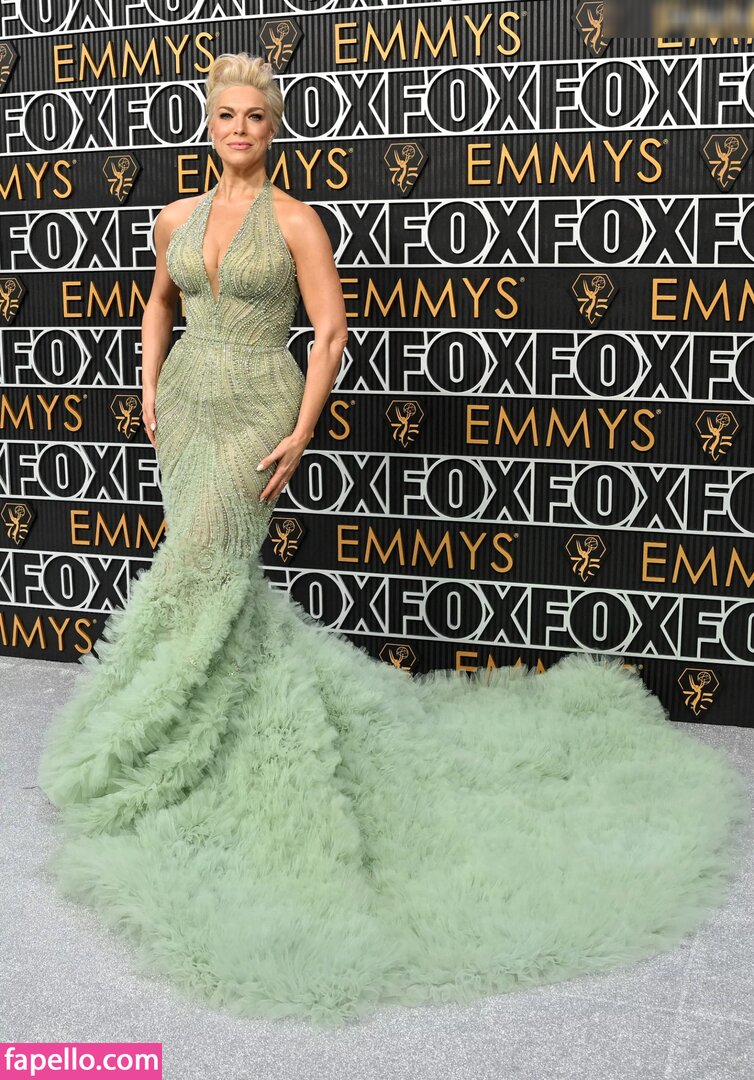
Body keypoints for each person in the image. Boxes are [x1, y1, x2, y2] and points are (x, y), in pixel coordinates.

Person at [37, 53, 749, 1029]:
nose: (240, 129)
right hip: (189, 406)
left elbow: (329, 331)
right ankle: (204, 731)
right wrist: (150, 385)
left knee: (202, 563)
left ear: (273, 128)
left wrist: (302, 430)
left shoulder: (298, 221)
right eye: (226, 115)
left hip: (259, 402)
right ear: (208, 123)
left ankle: (153, 733)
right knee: (206, 577)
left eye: (255, 117)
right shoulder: (173, 219)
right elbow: (160, 301)